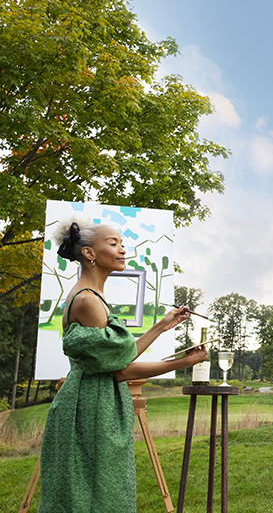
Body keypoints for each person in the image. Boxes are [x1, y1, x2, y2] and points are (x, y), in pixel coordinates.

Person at [38, 218, 208, 513]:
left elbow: (119, 356)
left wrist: (161, 327)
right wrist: (183, 362)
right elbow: (122, 370)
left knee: (93, 491)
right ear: (89, 253)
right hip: (89, 408)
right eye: (113, 243)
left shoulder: (94, 297)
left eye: (122, 243)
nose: (122, 250)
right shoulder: (88, 301)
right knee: (93, 495)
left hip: (92, 402)